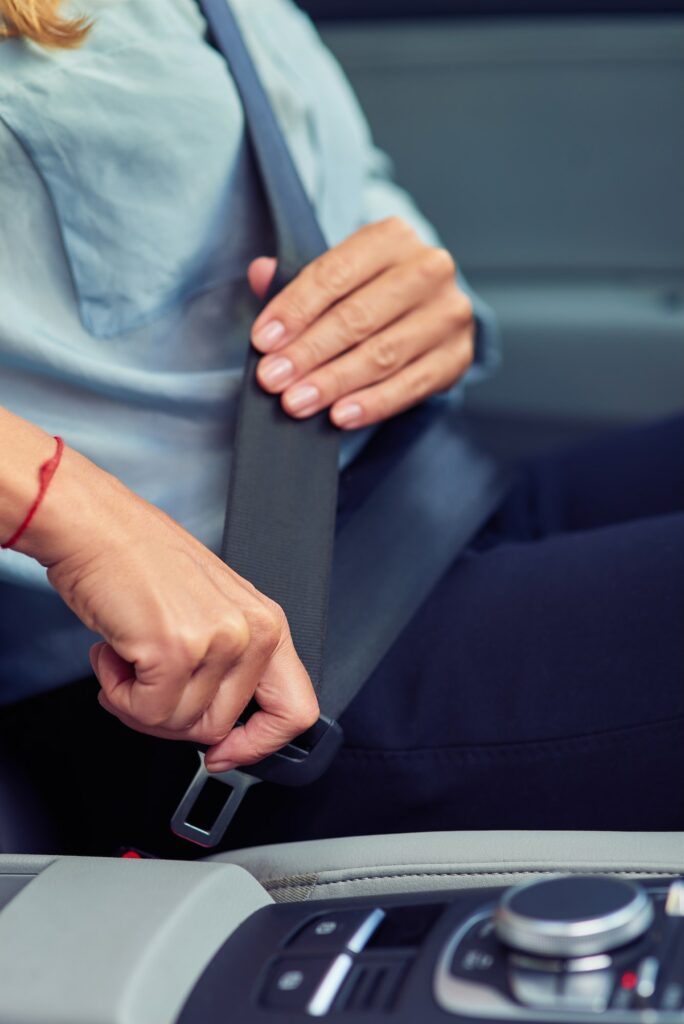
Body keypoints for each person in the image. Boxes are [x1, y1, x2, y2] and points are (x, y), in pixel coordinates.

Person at [0, 0, 682, 858]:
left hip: (408, 507)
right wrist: (71, 515)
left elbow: (325, 165)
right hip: (212, 683)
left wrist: (419, 303)